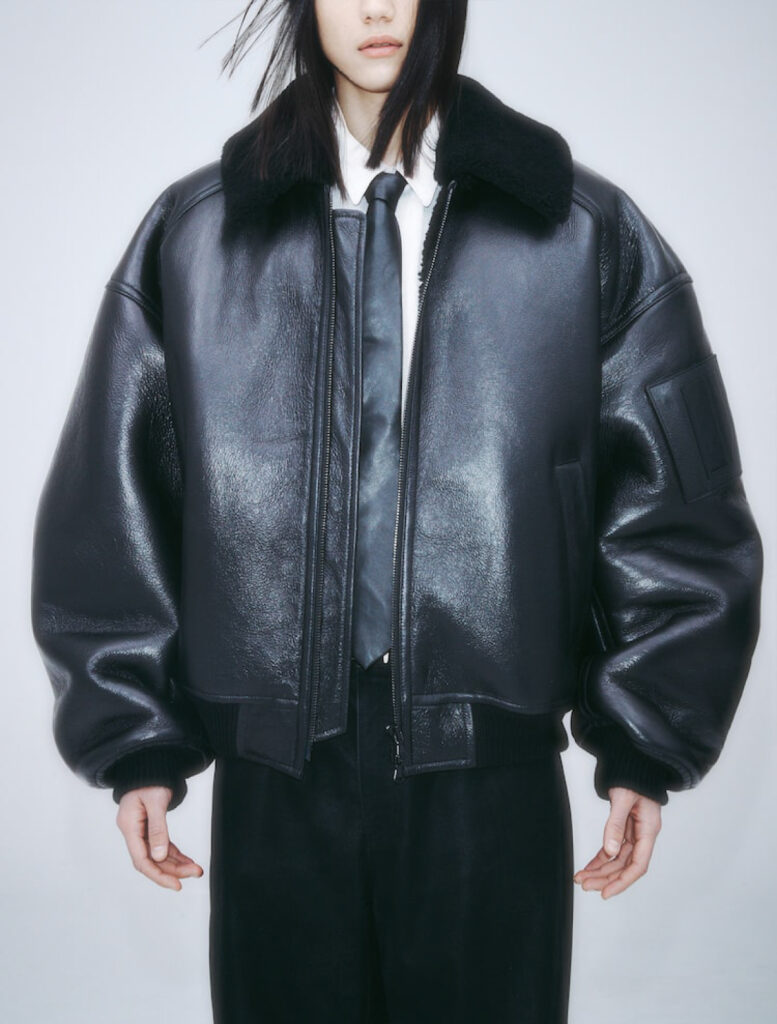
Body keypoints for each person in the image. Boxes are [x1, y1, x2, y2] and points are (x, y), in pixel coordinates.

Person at [30, 1, 763, 1021]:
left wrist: (648, 735)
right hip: (276, 775)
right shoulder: (196, 236)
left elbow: (680, 510)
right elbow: (111, 499)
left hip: (490, 772)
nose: (376, 7)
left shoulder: (580, 233)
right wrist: (135, 738)